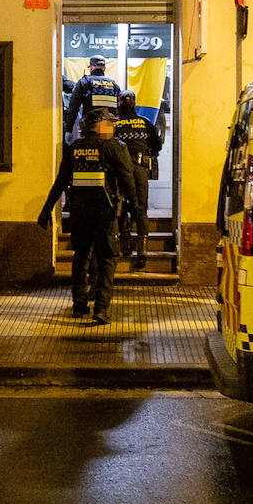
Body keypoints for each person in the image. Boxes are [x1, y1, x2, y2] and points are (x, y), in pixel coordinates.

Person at [38, 108, 136, 324]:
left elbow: (61, 181)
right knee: (107, 259)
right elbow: (128, 180)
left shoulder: (74, 148)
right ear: (99, 125)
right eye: (110, 123)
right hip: (105, 214)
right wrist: (136, 209)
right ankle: (101, 309)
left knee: (81, 256)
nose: (113, 127)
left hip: (80, 213)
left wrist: (46, 209)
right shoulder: (114, 148)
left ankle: (79, 305)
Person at [114, 91, 162, 270]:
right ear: (134, 104)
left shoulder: (114, 124)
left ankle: (125, 246)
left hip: (120, 171)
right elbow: (157, 145)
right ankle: (142, 253)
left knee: (120, 207)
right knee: (141, 209)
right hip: (140, 169)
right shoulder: (145, 123)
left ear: (119, 104)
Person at [63, 55, 120, 142]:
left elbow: (73, 108)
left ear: (91, 67)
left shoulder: (84, 82)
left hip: (91, 129)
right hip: (109, 129)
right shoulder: (114, 85)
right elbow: (119, 109)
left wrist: (68, 130)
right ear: (104, 68)